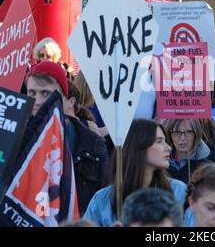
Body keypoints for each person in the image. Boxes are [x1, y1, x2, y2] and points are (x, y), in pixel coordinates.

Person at [25, 61, 110, 215]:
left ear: (64, 97)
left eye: (45, 93)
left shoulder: (92, 144)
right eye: (31, 93)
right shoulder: (15, 139)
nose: (37, 101)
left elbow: (102, 203)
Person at [83, 119, 187, 227]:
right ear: (138, 146)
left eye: (165, 141)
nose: (168, 148)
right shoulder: (102, 199)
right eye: (159, 141)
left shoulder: (178, 191)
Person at [165, 119, 211, 184]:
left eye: (188, 132)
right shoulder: (160, 164)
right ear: (169, 135)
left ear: (196, 134)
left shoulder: (208, 168)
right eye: (177, 132)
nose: (182, 138)